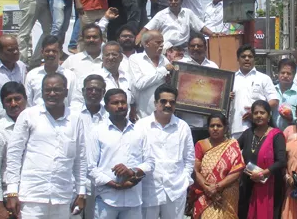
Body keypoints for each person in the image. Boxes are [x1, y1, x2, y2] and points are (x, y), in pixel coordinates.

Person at [5, 73, 87, 219]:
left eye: (57, 90)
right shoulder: (29, 115)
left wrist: (81, 191)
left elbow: (80, 158)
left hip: (62, 197)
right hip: (32, 197)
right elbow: (14, 155)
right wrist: (12, 191)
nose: (52, 94)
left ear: (66, 92)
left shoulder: (75, 119)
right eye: (47, 90)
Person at [88, 89, 154, 219]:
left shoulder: (139, 131)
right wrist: (115, 185)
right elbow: (90, 167)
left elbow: (150, 163)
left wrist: (131, 172)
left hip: (133, 200)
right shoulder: (97, 132)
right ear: (106, 107)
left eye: (123, 102)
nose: (120, 106)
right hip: (106, 200)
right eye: (115, 103)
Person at [135, 85, 195, 219]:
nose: (168, 105)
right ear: (155, 103)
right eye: (163, 101)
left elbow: (189, 158)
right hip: (149, 189)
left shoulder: (183, 127)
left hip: (175, 189)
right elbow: (135, 155)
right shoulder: (141, 126)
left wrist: (185, 179)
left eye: (172, 102)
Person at [237, 100, 286, 219]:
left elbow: (281, 161)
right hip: (248, 183)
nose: (259, 115)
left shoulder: (276, 135)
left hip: (270, 184)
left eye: (262, 113)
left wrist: (263, 173)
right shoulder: (248, 133)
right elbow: (234, 150)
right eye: (256, 113)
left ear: (269, 115)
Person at [0, 81, 28, 219]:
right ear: (3, 104)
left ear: (26, 99)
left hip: (34, 195)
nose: (14, 104)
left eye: (18, 98)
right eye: (9, 100)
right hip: (9, 199)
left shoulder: (36, 124)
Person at [190, 113, 245, 219]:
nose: (215, 129)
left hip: (227, 194)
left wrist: (217, 187)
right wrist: (208, 189)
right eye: (212, 126)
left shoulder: (232, 145)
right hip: (205, 194)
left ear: (225, 128)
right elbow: (195, 170)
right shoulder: (201, 144)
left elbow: (237, 170)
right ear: (208, 127)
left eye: (219, 126)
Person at [230, 44, 279, 139]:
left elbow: (274, 101)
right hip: (235, 128)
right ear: (238, 59)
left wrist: (255, 113)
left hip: (259, 129)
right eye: (243, 56)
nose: (247, 59)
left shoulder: (263, 78)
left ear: (254, 59)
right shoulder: (232, 79)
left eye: (250, 56)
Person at [139, 0, 214, 50]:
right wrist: (138, 40)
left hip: (185, 51)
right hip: (167, 50)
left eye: (176, 0)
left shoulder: (188, 13)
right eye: (170, 0)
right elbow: (147, 29)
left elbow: (201, 27)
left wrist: (214, 35)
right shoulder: (161, 15)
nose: (173, 2)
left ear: (181, 1)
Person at [78, 74, 109, 219]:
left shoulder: (111, 116)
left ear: (104, 92)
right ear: (83, 91)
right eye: (90, 89)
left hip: (100, 181)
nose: (93, 93)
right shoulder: (72, 114)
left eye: (98, 90)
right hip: (75, 178)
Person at [178, 34, 219, 133]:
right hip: (187, 123)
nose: (196, 48)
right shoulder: (181, 66)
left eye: (199, 46)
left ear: (205, 47)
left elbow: (218, 91)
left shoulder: (213, 67)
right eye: (193, 46)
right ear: (188, 48)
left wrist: (225, 95)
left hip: (208, 124)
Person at [24, 35, 79, 109]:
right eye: (47, 51)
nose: (50, 54)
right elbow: (28, 103)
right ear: (42, 52)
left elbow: (74, 102)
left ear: (60, 53)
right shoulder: (32, 75)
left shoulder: (70, 76)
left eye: (54, 51)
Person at [129, 31, 173, 119]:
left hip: (165, 116)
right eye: (158, 42)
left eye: (162, 42)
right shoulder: (135, 59)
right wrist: (163, 70)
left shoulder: (165, 60)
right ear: (146, 44)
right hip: (143, 116)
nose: (161, 45)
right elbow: (139, 84)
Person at [0, 35, 27, 117]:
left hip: (18, 117)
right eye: (10, 50)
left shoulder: (22, 67)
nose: (16, 52)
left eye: (17, 48)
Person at [62, 23, 104, 105]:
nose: (91, 40)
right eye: (88, 37)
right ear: (83, 40)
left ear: (101, 40)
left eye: (95, 37)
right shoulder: (72, 60)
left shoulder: (109, 61)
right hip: (77, 108)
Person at [94, 41, 136, 121]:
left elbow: (132, 101)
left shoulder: (127, 77)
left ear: (121, 58)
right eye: (107, 55)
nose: (110, 57)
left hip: (125, 125)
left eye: (114, 54)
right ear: (102, 58)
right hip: (103, 124)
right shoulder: (96, 78)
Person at [274, 59, 297, 130]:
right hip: (273, 135)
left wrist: (291, 119)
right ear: (278, 73)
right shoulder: (271, 91)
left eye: (289, 73)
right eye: (282, 73)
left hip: (293, 134)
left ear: (294, 75)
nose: (285, 76)